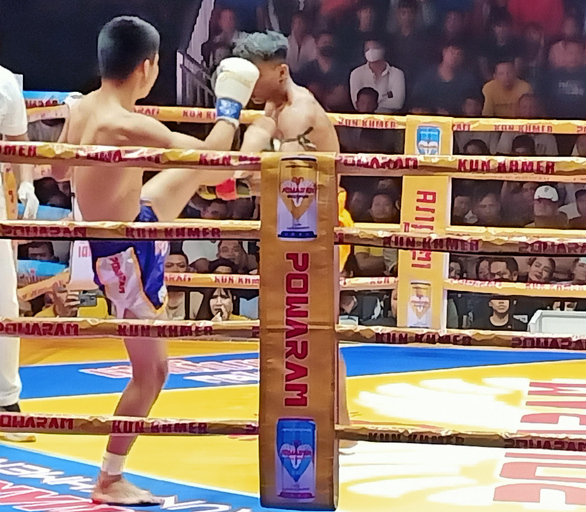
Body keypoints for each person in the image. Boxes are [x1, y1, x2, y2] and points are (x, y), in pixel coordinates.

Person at [52, 17, 261, 505]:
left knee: (189, 179)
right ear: (147, 68)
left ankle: (229, 185)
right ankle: (109, 477)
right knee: (153, 373)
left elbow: (60, 169)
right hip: (123, 256)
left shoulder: (83, 107)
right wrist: (229, 106)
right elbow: (209, 153)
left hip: (136, 219)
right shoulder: (124, 125)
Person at [232, 30, 356, 451]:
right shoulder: (274, 103)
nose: (247, 85)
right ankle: (329, 420)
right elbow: (246, 162)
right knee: (296, 328)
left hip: (319, 226)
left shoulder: (299, 113)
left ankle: (340, 426)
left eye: (254, 76)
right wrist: (234, 175)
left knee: (316, 328)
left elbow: (276, 180)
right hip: (294, 223)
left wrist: (234, 181)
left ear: (281, 71)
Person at [0, 62, 41, 443]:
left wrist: (26, 183)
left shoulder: (4, 80)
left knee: (4, 303)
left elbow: (17, 141)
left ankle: (6, 404)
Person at [349, 39, 406, 113]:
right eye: (367, 49)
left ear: (383, 49)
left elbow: (398, 103)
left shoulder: (397, 73)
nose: (371, 52)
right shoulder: (356, 73)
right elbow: (356, 103)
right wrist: (385, 97)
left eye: (374, 48)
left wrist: (369, 102)